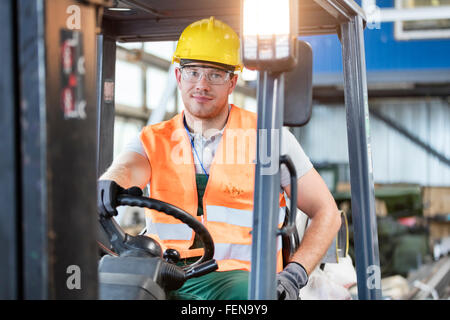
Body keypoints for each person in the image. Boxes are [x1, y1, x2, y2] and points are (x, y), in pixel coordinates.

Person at [97, 16, 341, 300]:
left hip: (243, 280)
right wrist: (111, 182)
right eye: (193, 72)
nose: (201, 84)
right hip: (166, 274)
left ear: (232, 82)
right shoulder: (151, 139)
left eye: (214, 74)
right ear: (178, 76)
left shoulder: (268, 135)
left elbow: (327, 213)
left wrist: (294, 275)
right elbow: (127, 167)